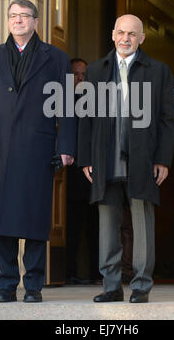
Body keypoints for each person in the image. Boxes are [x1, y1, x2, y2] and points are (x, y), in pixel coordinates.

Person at [0, 0, 76, 303]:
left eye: (24, 16)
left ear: (36, 21)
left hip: (38, 146)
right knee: (2, 218)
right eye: (13, 16)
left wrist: (66, 146)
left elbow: (67, 107)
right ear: (8, 21)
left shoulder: (56, 58)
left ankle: (33, 286)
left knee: (35, 217)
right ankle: (5, 286)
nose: (18, 20)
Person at [77, 14, 174, 303]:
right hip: (105, 157)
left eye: (132, 34)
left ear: (142, 38)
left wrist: (163, 159)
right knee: (108, 223)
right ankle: (111, 286)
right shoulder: (96, 70)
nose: (126, 38)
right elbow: (86, 118)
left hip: (143, 158)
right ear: (112, 34)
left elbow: (167, 120)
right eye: (121, 32)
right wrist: (86, 158)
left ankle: (141, 285)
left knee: (142, 221)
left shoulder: (158, 71)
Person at [66, 58, 100, 284]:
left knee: (96, 226)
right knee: (73, 226)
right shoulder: (62, 101)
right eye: (76, 74)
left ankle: (98, 274)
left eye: (83, 74)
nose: (80, 78)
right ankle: (68, 273)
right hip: (70, 175)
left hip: (94, 173)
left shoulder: (97, 102)